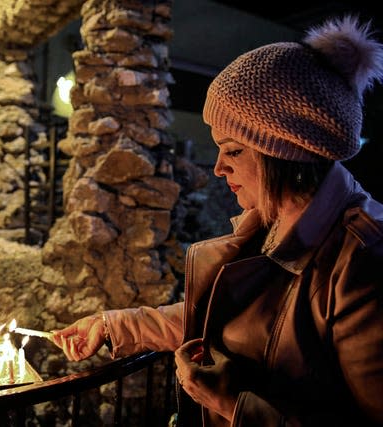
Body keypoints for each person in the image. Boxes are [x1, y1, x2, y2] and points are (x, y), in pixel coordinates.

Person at [52, 16, 383, 427]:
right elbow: (220, 315)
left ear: (283, 151)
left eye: (233, 151)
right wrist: (113, 325)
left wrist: (235, 407)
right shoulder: (269, 222)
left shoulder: (364, 259)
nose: (218, 169)